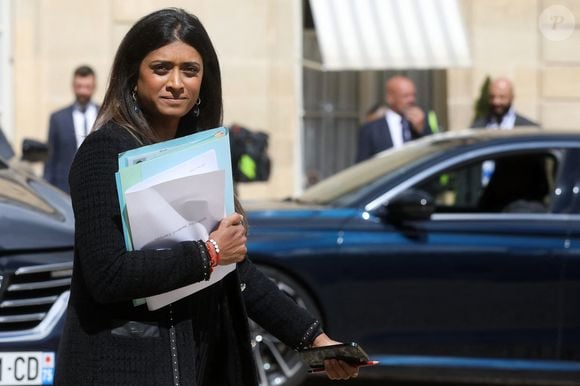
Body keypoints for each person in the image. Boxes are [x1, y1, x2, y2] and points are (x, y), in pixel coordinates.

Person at [55, 8, 358, 385]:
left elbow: (235, 271)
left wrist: (314, 338)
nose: (176, 83)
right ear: (134, 75)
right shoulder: (102, 152)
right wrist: (207, 253)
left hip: (198, 361)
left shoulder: (198, 153)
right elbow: (108, 274)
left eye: (190, 70)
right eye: (161, 68)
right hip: (125, 367)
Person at [43, 65, 99, 193]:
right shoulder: (58, 118)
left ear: (94, 86)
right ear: (73, 86)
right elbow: (50, 158)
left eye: (87, 87)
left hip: (97, 185)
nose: (83, 92)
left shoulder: (105, 116)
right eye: (79, 86)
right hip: (65, 188)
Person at [356, 75, 432, 162]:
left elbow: (434, 154)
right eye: (405, 96)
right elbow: (362, 165)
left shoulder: (422, 121)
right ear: (390, 98)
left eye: (413, 95)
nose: (411, 100)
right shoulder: (371, 130)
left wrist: (422, 130)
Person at [471, 77, 539, 129]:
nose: (496, 102)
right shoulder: (477, 127)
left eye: (502, 97)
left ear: (512, 97)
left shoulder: (529, 128)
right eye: (492, 97)